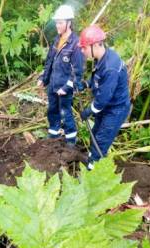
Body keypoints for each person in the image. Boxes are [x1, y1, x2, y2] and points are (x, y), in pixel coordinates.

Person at [78, 25, 131, 170]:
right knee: (95, 134)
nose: (82, 51)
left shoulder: (110, 67)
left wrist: (89, 111)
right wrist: (85, 84)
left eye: (84, 48)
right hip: (106, 106)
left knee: (101, 141)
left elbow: (103, 98)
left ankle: (94, 170)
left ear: (95, 45)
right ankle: (92, 160)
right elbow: (98, 79)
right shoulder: (101, 57)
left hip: (115, 109)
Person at [37, 4, 84, 145]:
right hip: (52, 85)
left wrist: (67, 87)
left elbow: (77, 71)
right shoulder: (57, 40)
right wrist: (43, 79)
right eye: (56, 22)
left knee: (65, 114)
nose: (57, 25)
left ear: (69, 23)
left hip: (64, 88)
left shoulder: (75, 44)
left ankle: (71, 142)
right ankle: (53, 137)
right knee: (52, 111)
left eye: (60, 22)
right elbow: (49, 62)